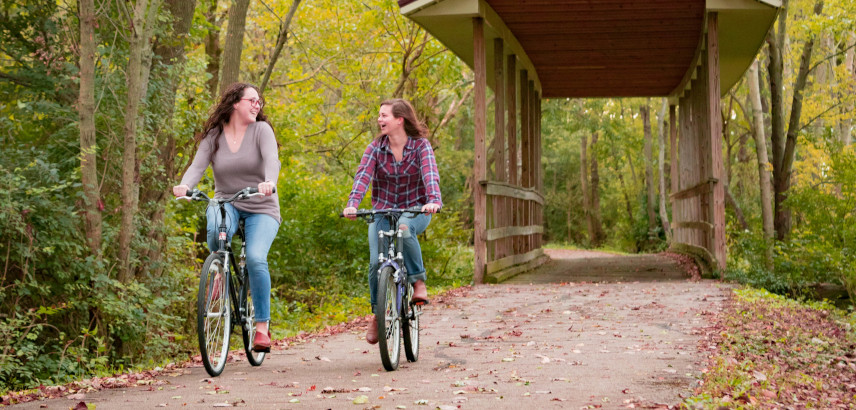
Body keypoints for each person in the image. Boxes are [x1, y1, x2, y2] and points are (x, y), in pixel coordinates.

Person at [173, 83, 280, 352]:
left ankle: (261, 328)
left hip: (261, 205)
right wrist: (185, 186)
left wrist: (269, 181)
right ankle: (219, 269)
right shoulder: (214, 136)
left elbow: (272, 160)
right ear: (235, 103)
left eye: (259, 102)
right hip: (227, 202)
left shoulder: (261, 131)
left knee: (255, 258)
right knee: (213, 219)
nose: (257, 105)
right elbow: (197, 166)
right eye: (252, 100)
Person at [343, 98, 442, 345]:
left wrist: (433, 200)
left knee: (405, 229)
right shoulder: (375, 148)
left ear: (400, 119)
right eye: (379, 115)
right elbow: (363, 177)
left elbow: (430, 174)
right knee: (376, 261)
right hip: (383, 211)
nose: (380, 120)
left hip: (416, 209)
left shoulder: (421, 146)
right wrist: (353, 203)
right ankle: (378, 314)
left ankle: (418, 282)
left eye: (384, 115)